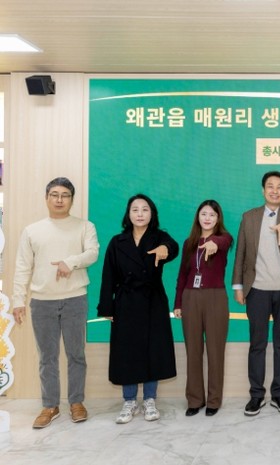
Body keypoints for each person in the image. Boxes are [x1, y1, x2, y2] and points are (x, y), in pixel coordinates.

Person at [12, 177, 99, 429]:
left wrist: (70, 262)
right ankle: (50, 406)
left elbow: (92, 253)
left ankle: (76, 402)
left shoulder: (85, 226)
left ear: (72, 199)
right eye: (54, 195)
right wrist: (18, 300)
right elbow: (22, 267)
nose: (59, 200)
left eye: (65, 195)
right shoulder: (32, 230)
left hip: (75, 299)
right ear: (47, 198)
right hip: (42, 302)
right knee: (47, 357)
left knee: (76, 354)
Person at [97, 194, 179, 424]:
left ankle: (150, 400)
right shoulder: (117, 241)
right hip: (126, 302)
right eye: (135, 209)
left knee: (153, 349)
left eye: (145, 209)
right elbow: (108, 275)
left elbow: (174, 247)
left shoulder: (159, 237)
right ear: (128, 214)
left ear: (152, 214)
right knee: (127, 351)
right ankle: (129, 401)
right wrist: (107, 306)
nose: (140, 214)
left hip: (153, 300)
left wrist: (164, 248)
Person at [233, 171, 280, 416]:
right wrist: (238, 286)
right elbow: (241, 252)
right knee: (257, 344)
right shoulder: (249, 217)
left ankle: (279, 394)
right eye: (270, 186)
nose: (275, 190)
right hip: (257, 290)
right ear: (263, 190)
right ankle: (256, 395)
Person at [174, 200, 233, 417]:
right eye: (204, 214)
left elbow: (225, 241)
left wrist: (213, 242)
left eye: (212, 215)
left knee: (215, 350)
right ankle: (195, 399)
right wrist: (178, 303)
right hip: (190, 297)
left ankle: (214, 400)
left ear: (218, 219)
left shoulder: (224, 238)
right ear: (198, 217)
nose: (207, 218)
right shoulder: (189, 243)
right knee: (193, 350)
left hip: (215, 297)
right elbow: (182, 274)